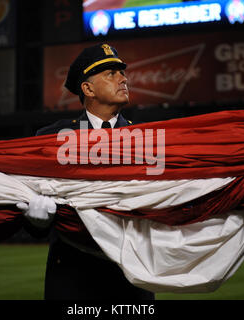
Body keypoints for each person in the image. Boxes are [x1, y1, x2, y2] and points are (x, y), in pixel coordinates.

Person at [35, 43, 154, 300]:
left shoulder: (148, 137)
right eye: (111, 73)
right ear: (87, 89)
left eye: (121, 72)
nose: (123, 78)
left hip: (131, 276)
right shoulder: (51, 138)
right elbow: (35, 222)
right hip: (73, 276)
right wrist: (35, 217)